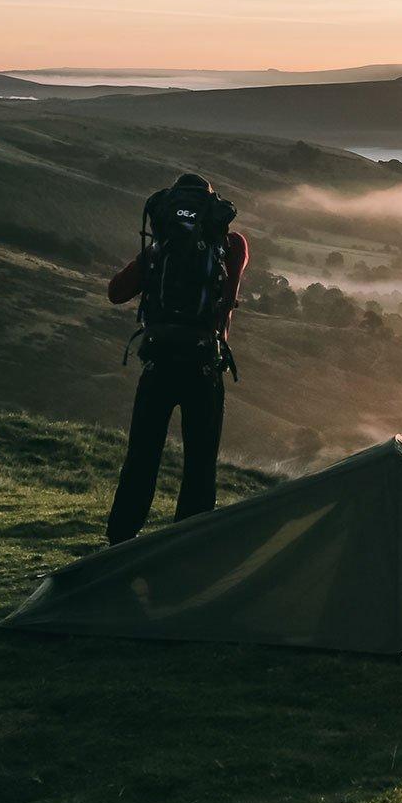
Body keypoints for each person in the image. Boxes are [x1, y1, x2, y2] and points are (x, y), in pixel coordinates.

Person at [104, 173, 249, 544]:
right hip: (203, 363)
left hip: (158, 363)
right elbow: (227, 302)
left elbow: (115, 293)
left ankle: (120, 539)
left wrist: (153, 256)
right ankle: (189, 544)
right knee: (200, 463)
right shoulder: (233, 245)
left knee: (142, 455)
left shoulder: (160, 247)